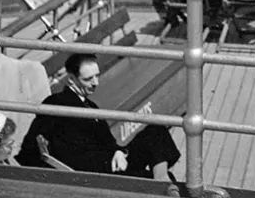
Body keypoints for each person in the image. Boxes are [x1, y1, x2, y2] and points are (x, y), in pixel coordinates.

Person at [17, 53, 180, 181]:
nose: (95, 83)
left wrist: (117, 152)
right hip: (95, 173)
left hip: (112, 160)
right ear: (72, 79)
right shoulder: (56, 103)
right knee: (152, 178)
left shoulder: (91, 106)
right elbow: (30, 145)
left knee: (155, 131)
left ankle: (161, 179)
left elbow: (109, 142)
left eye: (97, 76)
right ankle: (161, 181)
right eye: (88, 79)